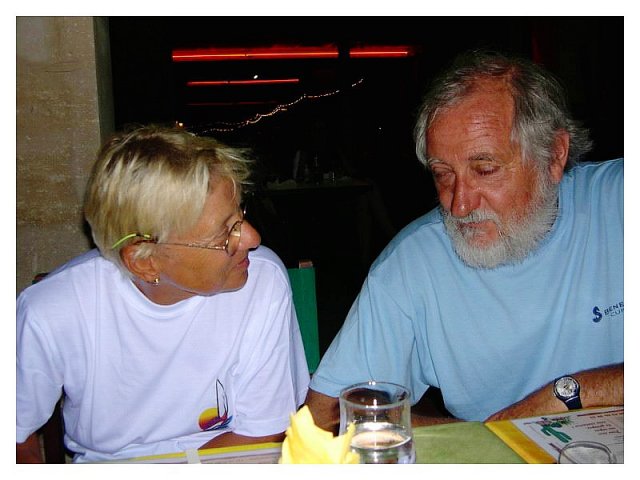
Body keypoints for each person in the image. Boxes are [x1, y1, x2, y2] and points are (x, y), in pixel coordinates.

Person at [305, 50, 623, 432]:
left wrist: (570, 394)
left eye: (484, 169)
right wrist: (484, 438)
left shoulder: (620, 201)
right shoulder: (413, 265)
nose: (459, 205)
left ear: (554, 156)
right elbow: (326, 417)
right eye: (443, 174)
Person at [16, 125, 310, 462]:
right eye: (224, 234)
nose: (253, 238)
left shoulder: (261, 280)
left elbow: (262, 432)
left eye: (240, 214)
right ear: (145, 262)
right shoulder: (53, 310)